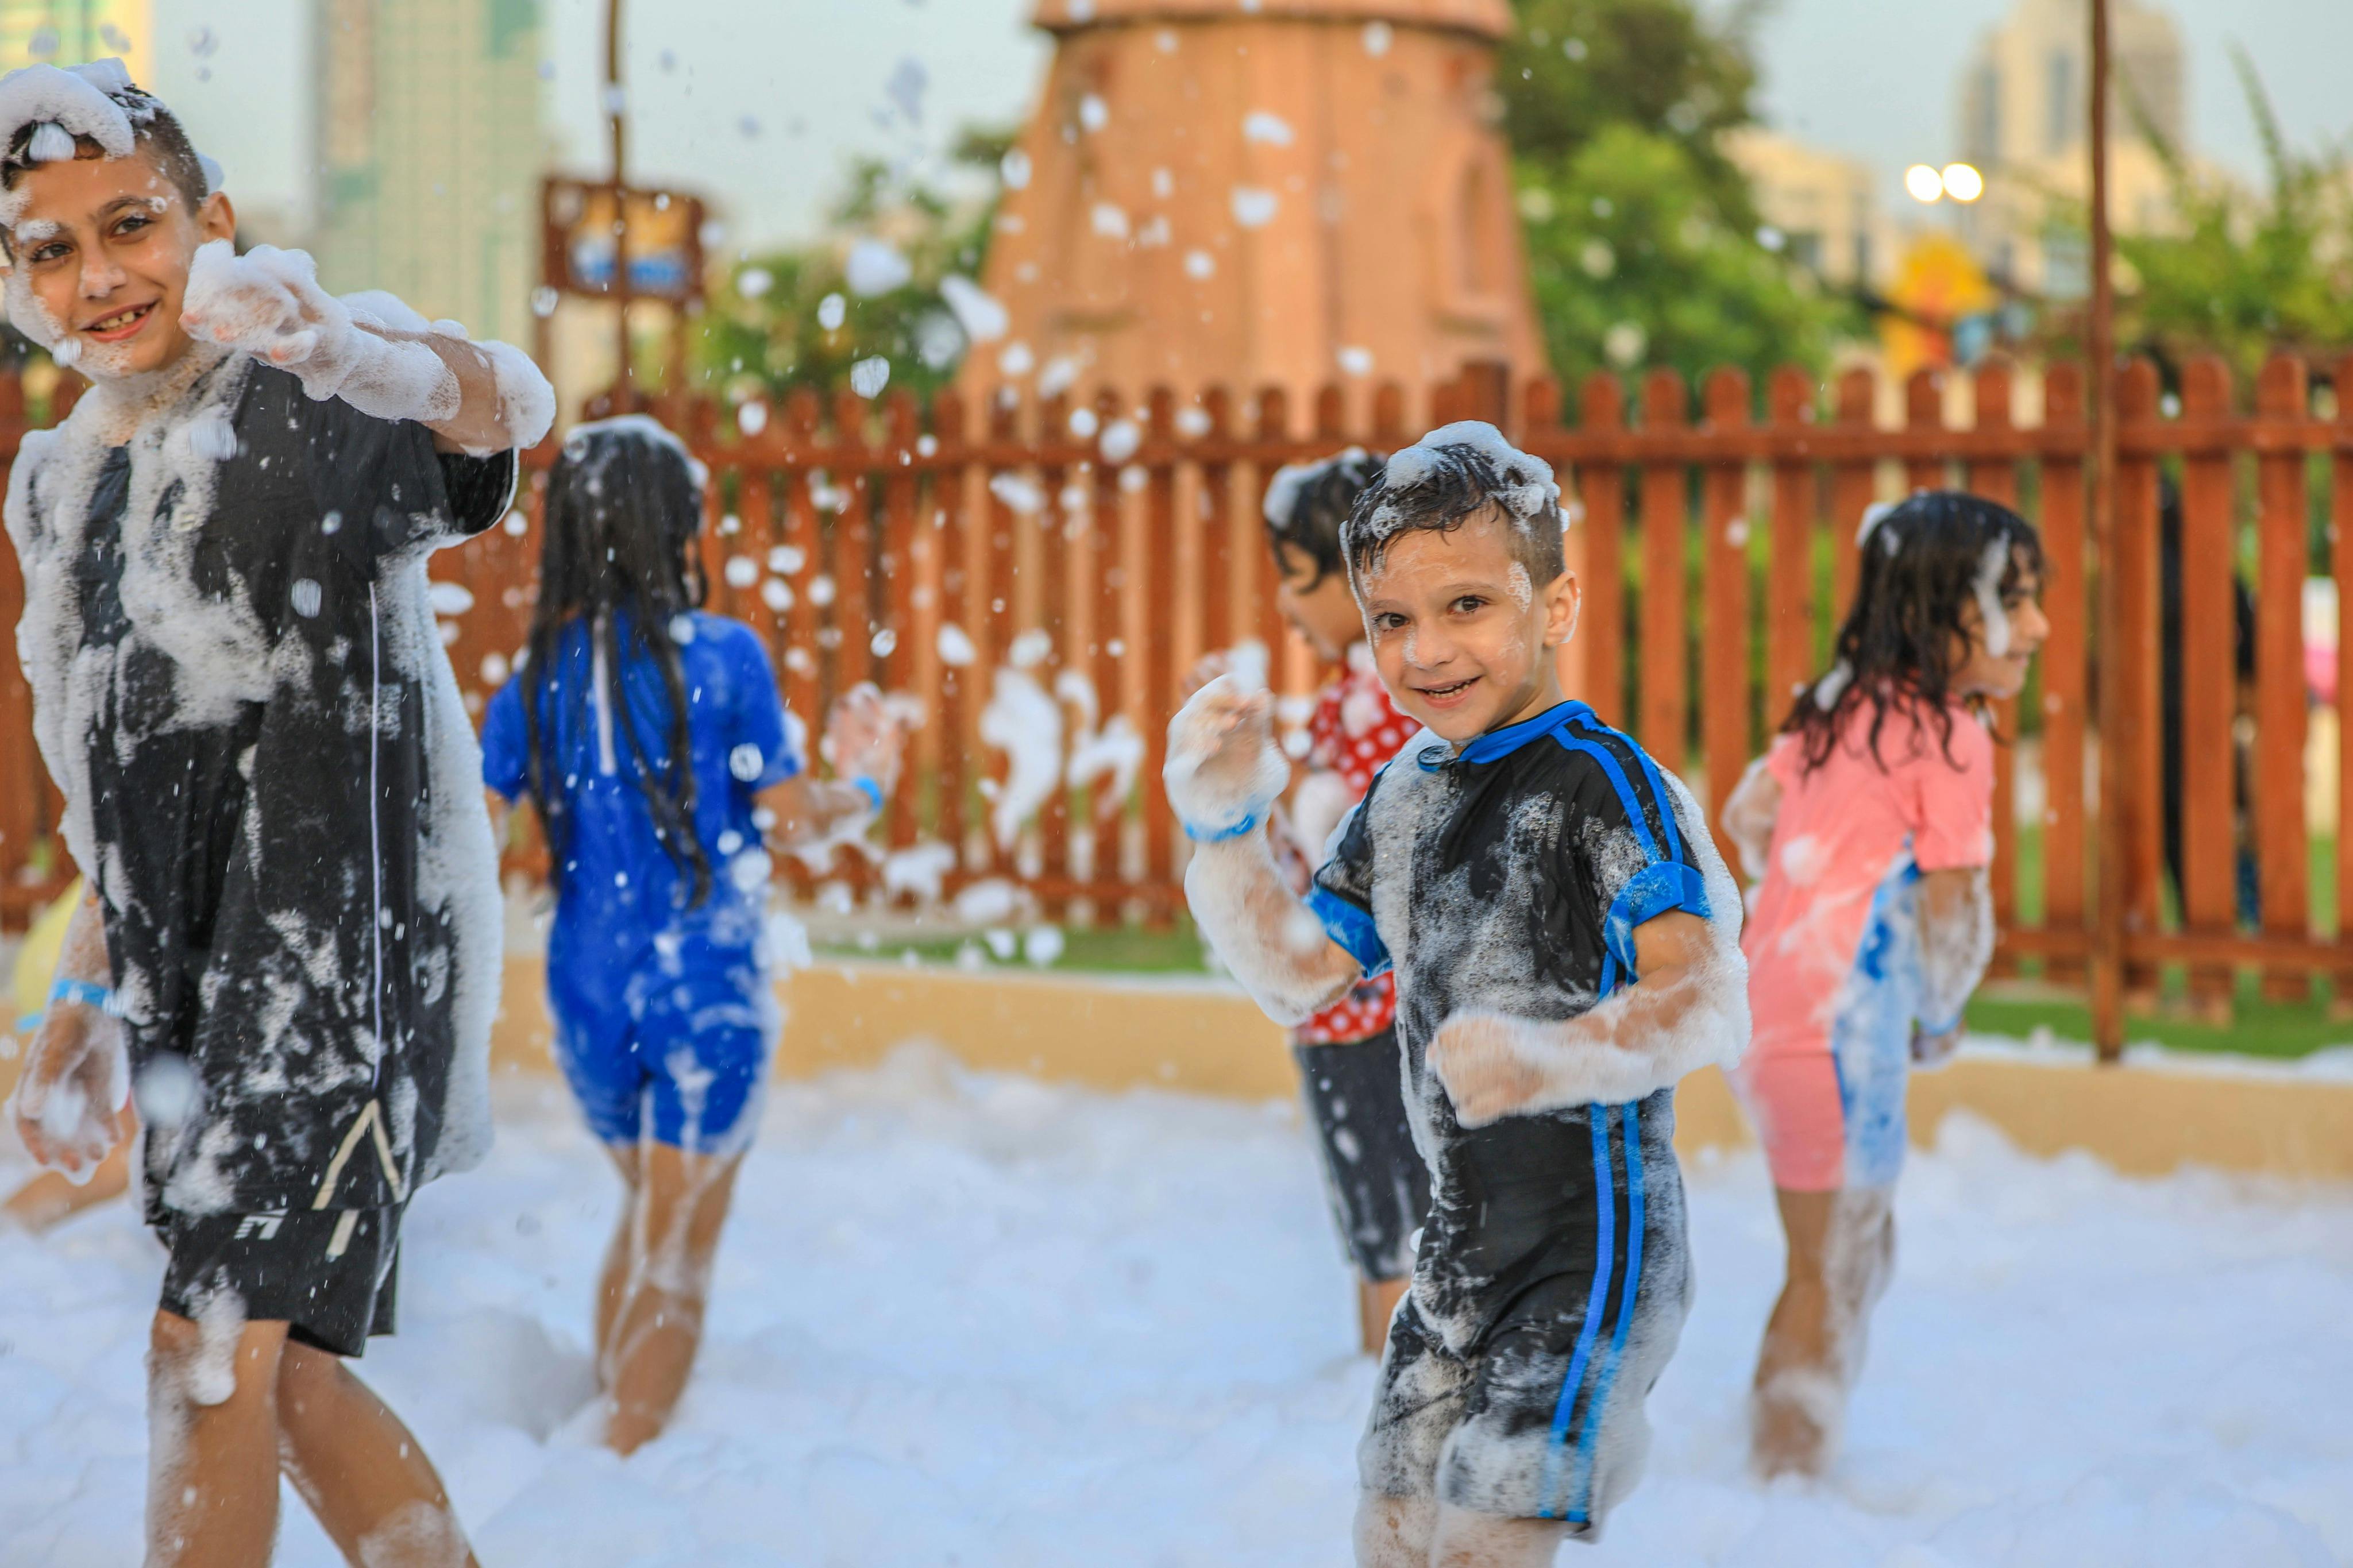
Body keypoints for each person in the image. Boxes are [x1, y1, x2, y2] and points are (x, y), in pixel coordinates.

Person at [0, 59, 551, 1567]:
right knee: (285, 1374)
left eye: (131, 224)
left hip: (343, 959)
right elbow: (111, 771)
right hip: (194, 986)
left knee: (208, 1343)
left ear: (213, 224)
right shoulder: (59, 490)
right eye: (50, 248)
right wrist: (85, 986)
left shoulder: (304, 393)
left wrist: (376, 358)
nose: (100, 273)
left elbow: (501, 409)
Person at [1164, 423, 1745, 1564]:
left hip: (1590, 1254)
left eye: (1466, 606)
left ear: (1555, 606)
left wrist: (1554, 1056)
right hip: (1454, 1254)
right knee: (1390, 1529)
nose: (1425, 650)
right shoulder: (1402, 794)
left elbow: (1706, 990)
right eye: (1392, 620)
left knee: (1481, 1538)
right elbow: (1297, 977)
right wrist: (1225, 827)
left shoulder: (1606, 785)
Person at [479, 416, 906, 1455]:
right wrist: (870, 783)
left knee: (644, 1212)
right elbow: (793, 819)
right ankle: (607, 1482)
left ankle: (584, 1438)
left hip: (585, 994)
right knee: (680, 1245)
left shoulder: (530, 686)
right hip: (703, 986)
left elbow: (465, 847)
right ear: (680, 527)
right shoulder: (722, 657)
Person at [1719, 491, 2047, 1480]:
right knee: (1831, 1269)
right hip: (1836, 1033)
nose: (2036, 625)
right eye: (2013, 600)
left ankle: (1779, 1470)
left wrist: (1788, 910)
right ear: (1939, 610)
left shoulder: (1834, 705)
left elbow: (1746, 812)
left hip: (1771, 1013)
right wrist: (1939, 1013)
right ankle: (1784, 1493)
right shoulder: (1951, 735)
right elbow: (1953, 907)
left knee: (1851, 1252)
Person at [1256, 447, 1432, 1355]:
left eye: (1295, 577)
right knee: (1400, 1235)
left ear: (1355, 572)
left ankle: (1389, 1412)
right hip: (1366, 1011)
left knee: (1390, 1242)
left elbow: (1347, 841)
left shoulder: (1384, 695)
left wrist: (1266, 768)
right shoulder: (1368, 690)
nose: (1285, 603)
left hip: (1369, 1016)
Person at [2, 875, 138, 1231]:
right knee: (122, 1158)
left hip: (66, 959)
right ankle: (9, 1227)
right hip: (81, 974)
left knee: (127, 1155)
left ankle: (11, 1228)